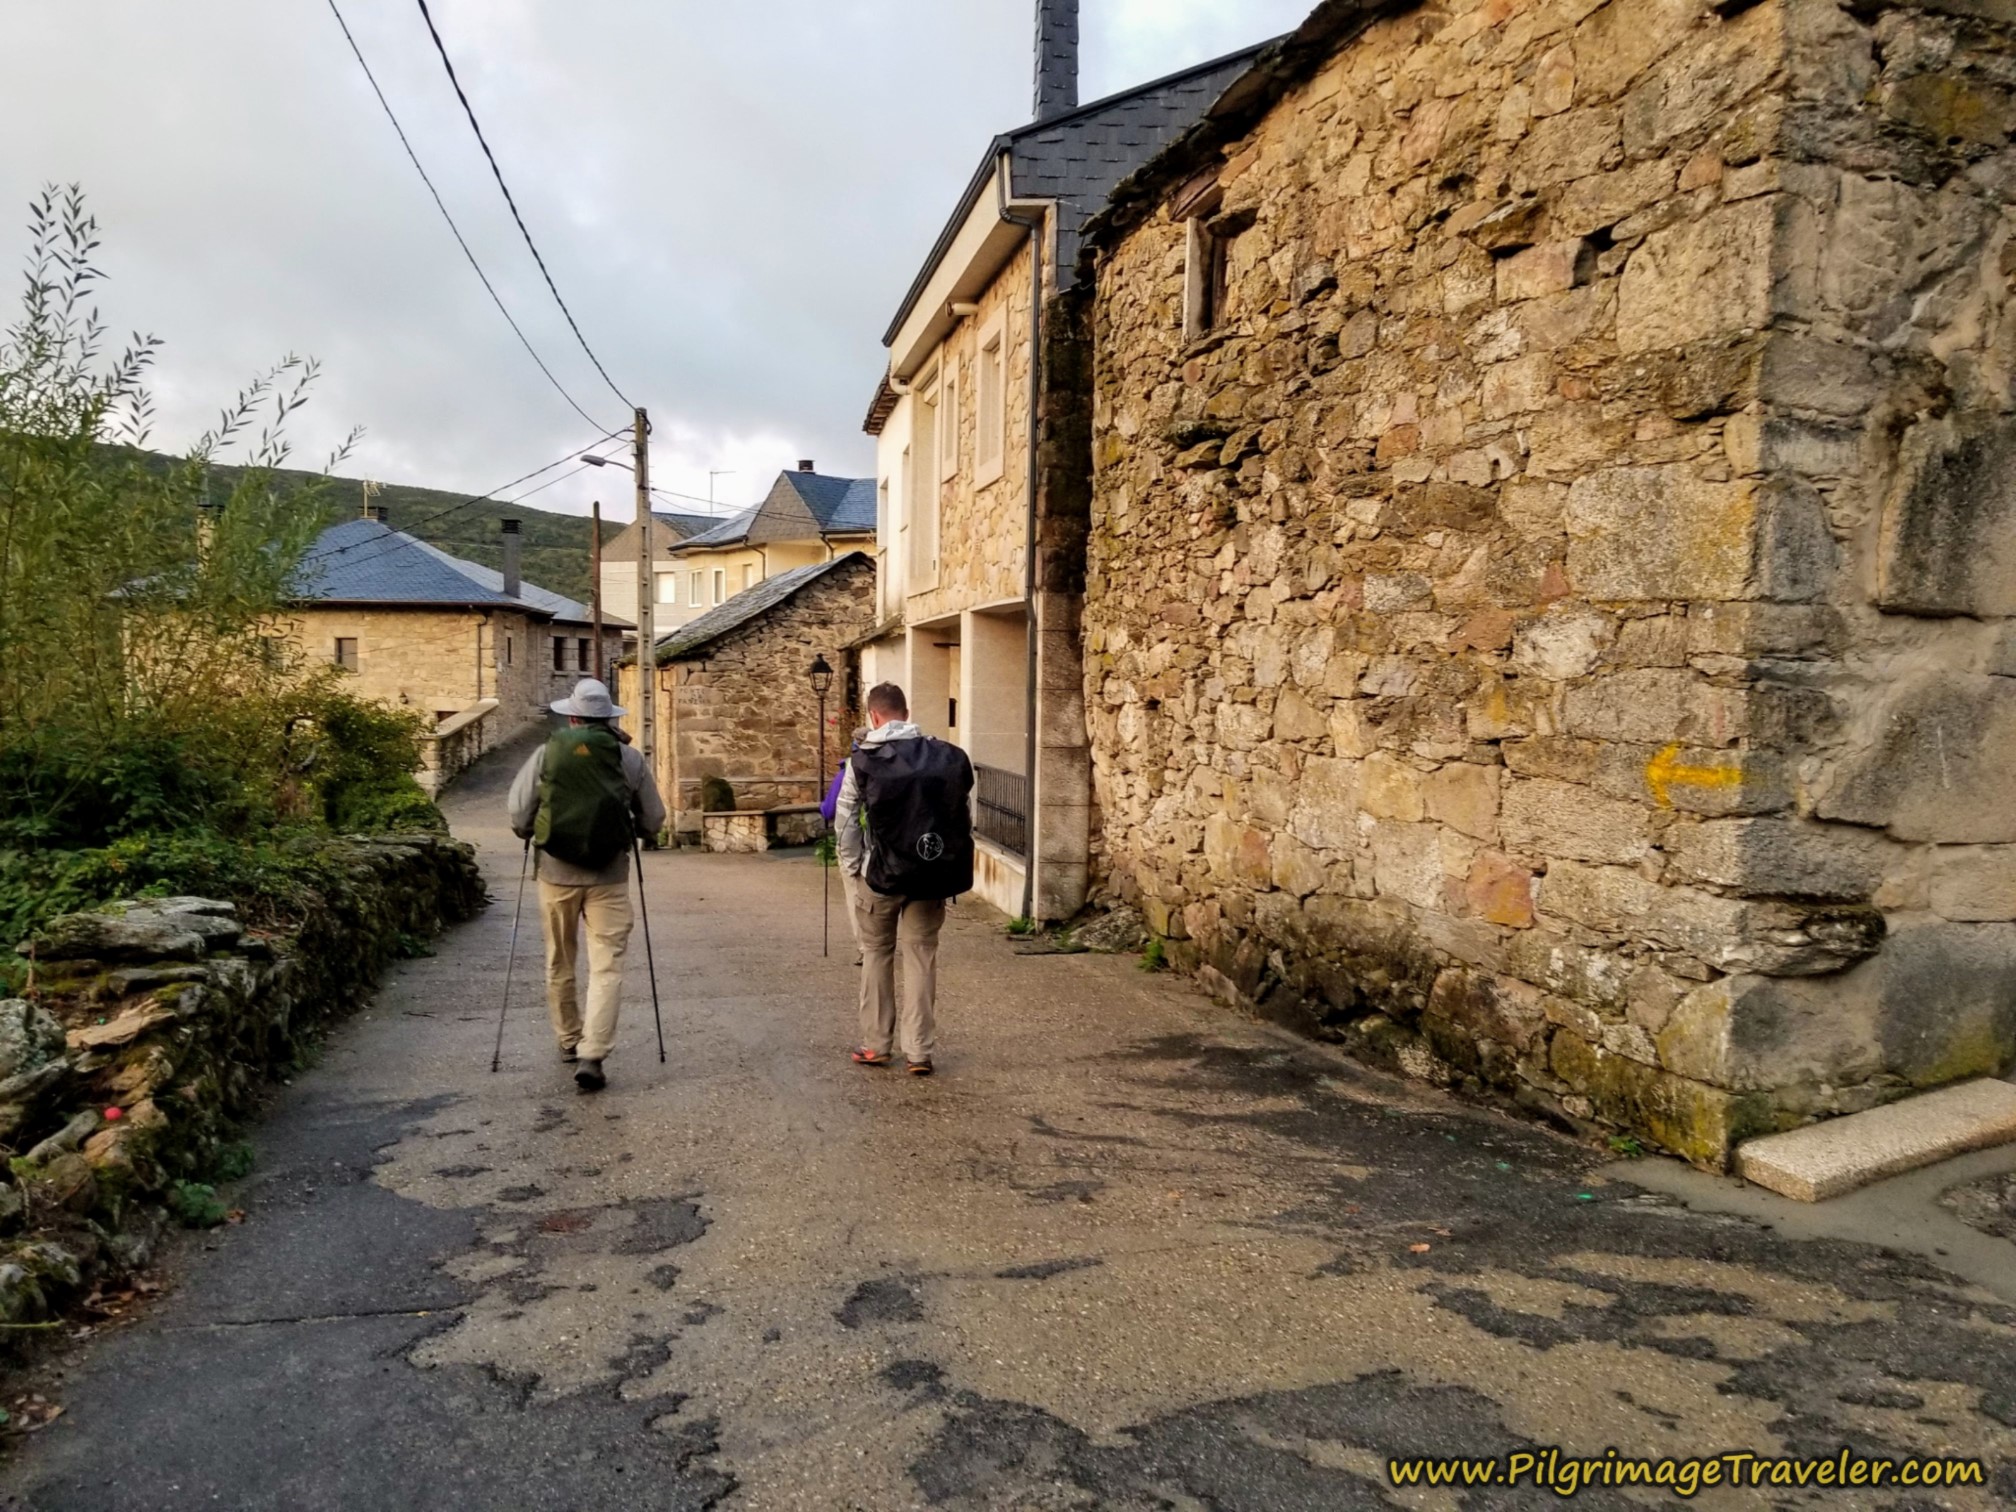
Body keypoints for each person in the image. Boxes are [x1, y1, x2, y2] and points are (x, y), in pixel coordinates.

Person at [507, 678, 667, 1093]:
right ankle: (593, 1054)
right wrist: (642, 834)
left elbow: (519, 813)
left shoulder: (547, 753)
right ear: (609, 718)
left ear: (573, 715)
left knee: (560, 958)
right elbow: (653, 817)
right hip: (609, 876)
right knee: (607, 964)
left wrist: (530, 831)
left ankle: (568, 1039)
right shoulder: (629, 759)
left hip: (555, 873)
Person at [834, 683, 973, 1076]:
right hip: (931, 873)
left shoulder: (862, 761)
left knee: (877, 954)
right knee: (921, 955)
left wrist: (854, 865)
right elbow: (961, 814)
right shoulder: (946, 756)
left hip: (880, 876)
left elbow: (845, 822)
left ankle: (877, 1045)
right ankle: (919, 1052)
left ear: (873, 716)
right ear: (906, 714)